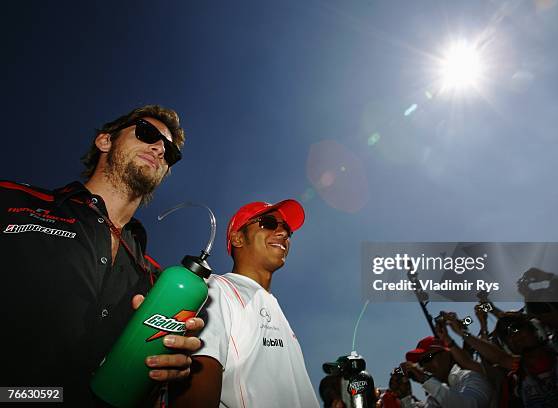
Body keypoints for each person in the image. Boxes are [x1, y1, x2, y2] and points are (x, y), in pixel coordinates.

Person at [0, 105, 204, 405]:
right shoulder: (11, 202)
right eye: (147, 134)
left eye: (170, 153)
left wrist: (169, 371)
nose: (160, 148)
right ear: (105, 141)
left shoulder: (158, 281)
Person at [171, 200, 319, 407]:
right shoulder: (215, 290)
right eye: (268, 223)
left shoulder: (273, 307)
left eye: (287, 229)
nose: (284, 233)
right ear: (237, 238)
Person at [400, 336, 492, 408]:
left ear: (446, 354)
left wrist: (425, 379)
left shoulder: (470, 377)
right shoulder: (435, 396)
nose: (425, 367)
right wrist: (405, 396)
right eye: (421, 363)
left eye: (428, 358)